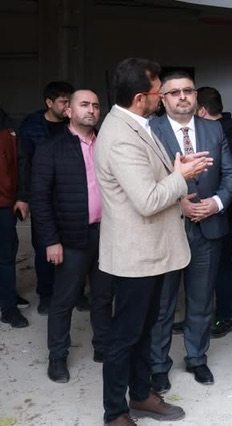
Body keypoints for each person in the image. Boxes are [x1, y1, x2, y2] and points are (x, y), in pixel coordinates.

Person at [95, 58, 212, 425]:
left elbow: (148, 179)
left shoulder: (134, 124)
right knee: (125, 336)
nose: (162, 98)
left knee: (145, 330)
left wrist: (175, 173)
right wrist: (181, 176)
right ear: (140, 98)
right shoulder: (119, 136)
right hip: (136, 255)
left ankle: (141, 394)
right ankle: (115, 412)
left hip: (152, 250)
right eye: (158, 92)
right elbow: (146, 200)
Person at [149, 72, 232, 393]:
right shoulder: (151, 130)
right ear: (163, 99)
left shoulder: (213, 128)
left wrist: (216, 203)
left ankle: (197, 357)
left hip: (208, 228)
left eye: (188, 90)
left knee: (201, 301)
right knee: (163, 304)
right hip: (167, 229)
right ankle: (158, 365)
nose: (183, 96)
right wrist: (178, 202)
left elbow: (230, 172)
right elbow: (144, 180)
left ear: (196, 96)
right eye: (174, 92)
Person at [30, 90, 114, 382]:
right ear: (68, 111)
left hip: (106, 234)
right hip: (69, 238)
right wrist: (51, 240)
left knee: (103, 296)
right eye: (84, 105)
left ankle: (102, 347)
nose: (91, 110)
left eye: (96, 105)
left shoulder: (108, 144)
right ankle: (57, 357)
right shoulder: (50, 148)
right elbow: (40, 199)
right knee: (63, 300)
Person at [19, 80, 83, 315]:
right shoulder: (32, 126)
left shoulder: (75, 123)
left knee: (76, 247)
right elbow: (24, 162)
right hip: (43, 195)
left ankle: (77, 293)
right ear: (49, 102)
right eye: (63, 102)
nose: (68, 106)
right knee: (44, 246)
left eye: (70, 102)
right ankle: (46, 295)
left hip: (73, 195)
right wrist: (23, 196)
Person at [196, 86, 232, 338]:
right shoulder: (217, 129)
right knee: (205, 266)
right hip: (205, 211)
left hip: (223, 212)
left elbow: (230, 177)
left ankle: (225, 316)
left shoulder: (231, 133)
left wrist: (216, 204)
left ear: (201, 110)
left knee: (221, 264)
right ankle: (199, 316)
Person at [0, 107, 30, 328]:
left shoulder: (8, 127)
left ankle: (8, 305)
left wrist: (22, 197)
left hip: (5, 204)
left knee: (6, 256)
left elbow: (22, 163)